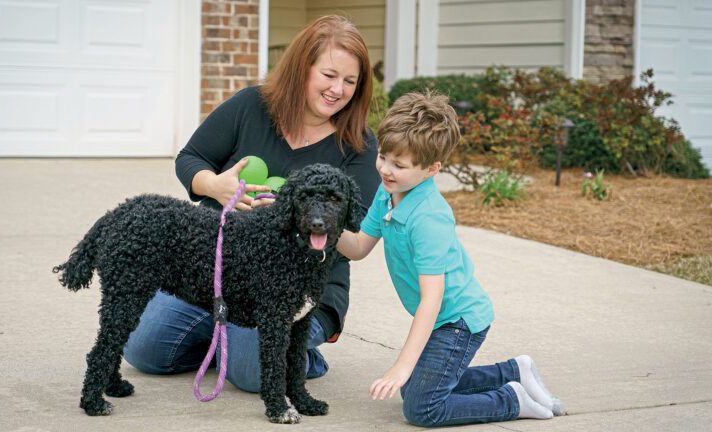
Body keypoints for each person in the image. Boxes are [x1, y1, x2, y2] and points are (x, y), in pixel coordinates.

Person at [123, 15, 381, 393]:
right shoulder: (251, 105)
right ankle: (224, 339)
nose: (337, 89)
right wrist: (215, 186)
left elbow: (356, 229)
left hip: (297, 285)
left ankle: (296, 357)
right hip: (216, 270)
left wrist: (297, 218)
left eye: (349, 81)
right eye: (328, 75)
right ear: (302, 68)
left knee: (253, 376)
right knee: (143, 351)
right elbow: (190, 158)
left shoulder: (357, 144)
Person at [336, 92, 564, 426]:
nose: (385, 169)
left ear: (431, 169)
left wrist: (402, 364)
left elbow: (432, 298)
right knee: (414, 388)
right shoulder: (388, 192)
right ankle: (515, 371)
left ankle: (511, 399)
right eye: (383, 156)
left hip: (458, 322)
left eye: (399, 165)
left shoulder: (428, 217)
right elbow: (357, 247)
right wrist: (324, 228)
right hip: (442, 319)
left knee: (422, 408)